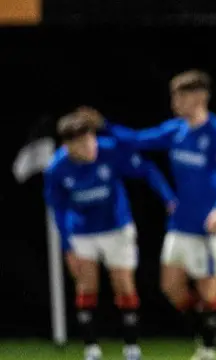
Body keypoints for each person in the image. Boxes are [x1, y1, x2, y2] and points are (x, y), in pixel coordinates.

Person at [90, 70, 216, 360]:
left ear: (200, 97)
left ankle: (208, 350)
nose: (175, 102)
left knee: (209, 289)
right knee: (170, 286)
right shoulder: (176, 130)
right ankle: (207, 326)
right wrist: (106, 126)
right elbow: (137, 139)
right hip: (181, 222)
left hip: (211, 225)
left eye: (180, 96)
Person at [44, 110, 176, 360]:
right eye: (82, 142)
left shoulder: (110, 150)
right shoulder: (56, 169)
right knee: (86, 286)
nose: (90, 146)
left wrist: (168, 197)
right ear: (68, 145)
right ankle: (91, 348)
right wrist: (67, 246)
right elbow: (58, 210)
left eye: (91, 138)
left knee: (124, 285)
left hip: (117, 227)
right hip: (81, 232)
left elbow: (146, 168)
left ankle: (131, 347)